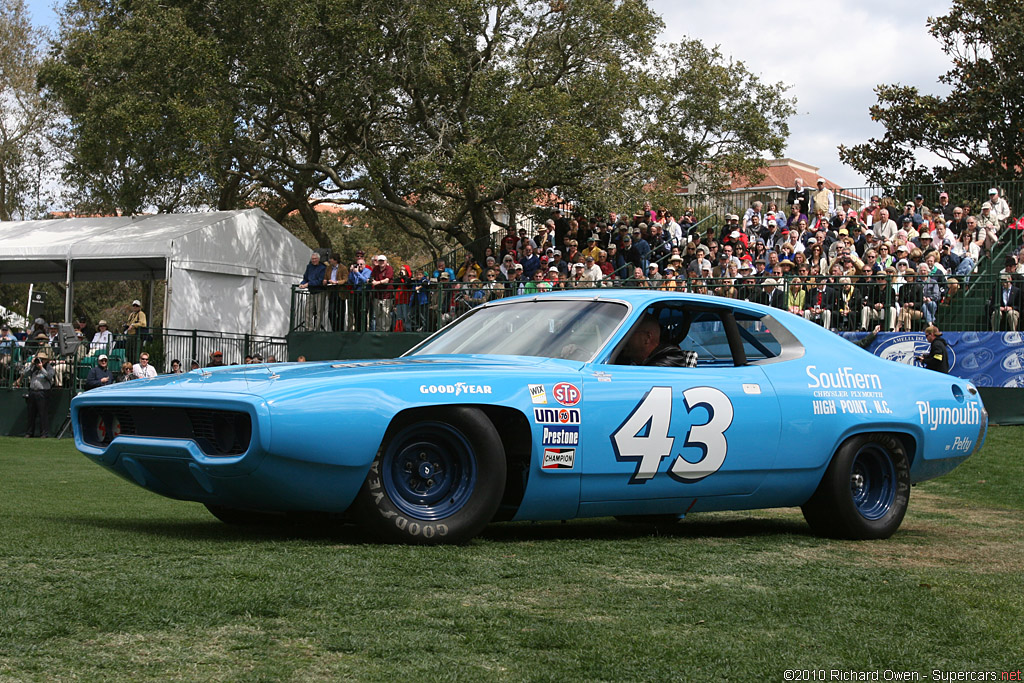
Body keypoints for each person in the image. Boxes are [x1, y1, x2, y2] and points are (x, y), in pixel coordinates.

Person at [618, 314, 697, 367]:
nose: (624, 338)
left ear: (647, 338)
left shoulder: (670, 358)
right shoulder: (626, 358)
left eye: (630, 333)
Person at [20, 347, 56, 437]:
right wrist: (32, 365)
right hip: (32, 391)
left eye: (43, 360)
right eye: (40, 359)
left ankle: (44, 433)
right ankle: (29, 432)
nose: (41, 361)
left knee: (43, 414)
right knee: (31, 414)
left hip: (43, 392)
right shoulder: (33, 368)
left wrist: (41, 368)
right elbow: (24, 373)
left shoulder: (49, 368)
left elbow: (50, 376)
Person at [298, 252, 327, 331]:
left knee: (319, 311)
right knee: (307, 310)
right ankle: (309, 328)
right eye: (312, 259)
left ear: (318, 259)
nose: (313, 260)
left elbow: (320, 281)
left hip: (320, 292)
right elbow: (305, 278)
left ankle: (317, 329)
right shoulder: (309, 267)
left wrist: (308, 284)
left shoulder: (323, 268)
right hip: (311, 291)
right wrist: (302, 284)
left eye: (315, 259)